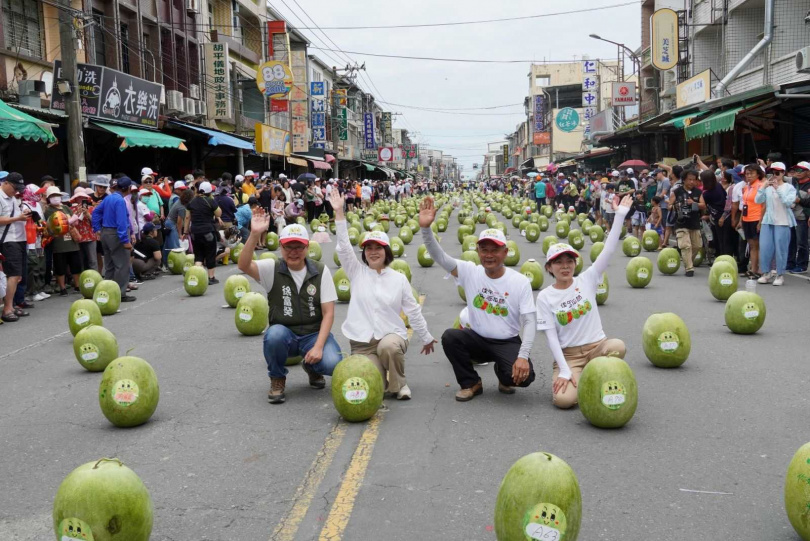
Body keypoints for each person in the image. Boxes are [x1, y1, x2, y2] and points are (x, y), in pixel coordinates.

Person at [418, 197, 537, 402]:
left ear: (505, 253)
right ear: (478, 251)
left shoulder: (519, 282)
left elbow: (530, 321)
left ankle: (503, 373)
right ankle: (471, 383)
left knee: (524, 379)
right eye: (484, 250)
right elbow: (439, 257)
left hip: (506, 341)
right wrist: (426, 229)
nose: (489, 255)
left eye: (495, 250)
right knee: (451, 337)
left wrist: (523, 356)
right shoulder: (470, 272)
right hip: (477, 339)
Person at [330, 190, 436, 400]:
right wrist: (339, 212)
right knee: (372, 383)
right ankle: (384, 380)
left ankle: (400, 384)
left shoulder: (398, 278)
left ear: (387, 252)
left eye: (378, 248)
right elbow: (343, 247)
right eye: (369, 248)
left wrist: (426, 337)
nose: (373, 252)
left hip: (390, 335)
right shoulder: (357, 272)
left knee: (389, 347)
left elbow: (412, 310)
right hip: (362, 342)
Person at [536, 195, 632, 408]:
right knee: (563, 401)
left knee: (617, 346)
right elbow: (551, 338)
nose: (565, 266)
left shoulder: (587, 279)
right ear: (549, 268)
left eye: (569, 261)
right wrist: (564, 369)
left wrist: (619, 216)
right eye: (558, 262)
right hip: (570, 357)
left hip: (597, 348)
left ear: (575, 264)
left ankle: (594, 377)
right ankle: (590, 380)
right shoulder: (545, 297)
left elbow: (608, 251)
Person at [238, 214, 342, 404]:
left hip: (313, 335)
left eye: (299, 246)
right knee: (274, 335)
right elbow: (244, 265)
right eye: (288, 246)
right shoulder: (272, 268)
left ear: (307, 247)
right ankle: (277, 378)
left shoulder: (320, 270)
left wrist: (318, 347)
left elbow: (328, 313)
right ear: (281, 246)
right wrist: (254, 235)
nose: (293, 252)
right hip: (286, 335)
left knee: (332, 363)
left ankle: (312, 367)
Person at [755, 162, 797, 286]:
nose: (775, 175)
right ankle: (766, 273)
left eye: (778, 172)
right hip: (768, 221)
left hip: (783, 221)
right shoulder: (767, 187)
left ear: (783, 173)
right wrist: (763, 187)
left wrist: (777, 189)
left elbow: (788, 202)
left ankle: (779, 274)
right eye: (773, 172)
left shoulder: (789, 188)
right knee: (765, 247)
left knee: (781, 249)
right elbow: (758, 200)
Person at [0, 172, 32, 322]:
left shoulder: (13, 198)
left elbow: (16, 215)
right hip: (8, 240)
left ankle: (11, 306)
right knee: (12, 275)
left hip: (20, 239)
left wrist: (23, 213)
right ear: (5, 183)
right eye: (14, 188)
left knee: (18, 275)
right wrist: (17, 218)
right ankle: (7, 309)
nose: (16, 191)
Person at [43, 186, 83, 296]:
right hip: (59, 242)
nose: (55, 198)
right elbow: (53, 226)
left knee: (76, 264)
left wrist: (77, 217)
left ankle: (77, 285)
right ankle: (62, 288)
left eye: (57, 195)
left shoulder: (66, 208)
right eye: (52, 196)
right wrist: (70, 221)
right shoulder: (49, 211)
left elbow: (75, 223)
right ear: (49, 198)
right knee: (60, 266)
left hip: (72, 241)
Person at [183, 181, 221, 284]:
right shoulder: (210, 201)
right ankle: (211, 278)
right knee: (210, 254)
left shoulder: (192, 202)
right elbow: (219, 213)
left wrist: (185, 232)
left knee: (198, 255)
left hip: (195, 232)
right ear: (210, 192)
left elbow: (187, 218)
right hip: (208, 230)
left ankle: (197, 277)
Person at [669, 169, 703, 277]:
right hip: (681, 222)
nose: (692, 182)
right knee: (686, 246)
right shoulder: (676, 191)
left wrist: (695, 203)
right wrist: (676, 206)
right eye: (689, 180)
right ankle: (689, 268)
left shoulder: (698, 192)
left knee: (697, 246)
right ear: (684, 180)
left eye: (694, 180)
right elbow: (669, 205)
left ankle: (688, 261)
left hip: (694, 222)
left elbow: (703, 205)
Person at [738, 164, 766, 278]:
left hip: (756, 218)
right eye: (747, 174)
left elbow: (764, 205)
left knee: (757, 245)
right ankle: (753, 268)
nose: (748, 176)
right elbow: (744, 204)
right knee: (751, 245)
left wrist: (760, 221)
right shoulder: (747, 187)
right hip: (746, 218)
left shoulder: (761, 186)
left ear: (758, 174)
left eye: (751, 173)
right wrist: (741, 220)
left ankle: (759, 270)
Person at [788, 161, 810, 273]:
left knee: (802, 242)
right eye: (796, 170)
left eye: (801, 170)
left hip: (802, 218)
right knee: (791, 241)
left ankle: (802, 264)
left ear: (808, 172)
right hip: (791, 217)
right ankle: (790, 263)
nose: (798, 172)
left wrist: (799, 200)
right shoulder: (793, 182)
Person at [70, 187, 97, 273]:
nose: (81, 199)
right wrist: (77, 214)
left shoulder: (91, 209)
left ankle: (95, 278)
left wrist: (88, 214)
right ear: (75, 198)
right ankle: (82, 280)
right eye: (79, 197)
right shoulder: (71, 210)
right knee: (80, 261)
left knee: (92, 261)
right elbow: (71, 224)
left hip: (90, 237)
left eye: (83, 197)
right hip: (78, 237)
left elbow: (95, 223)